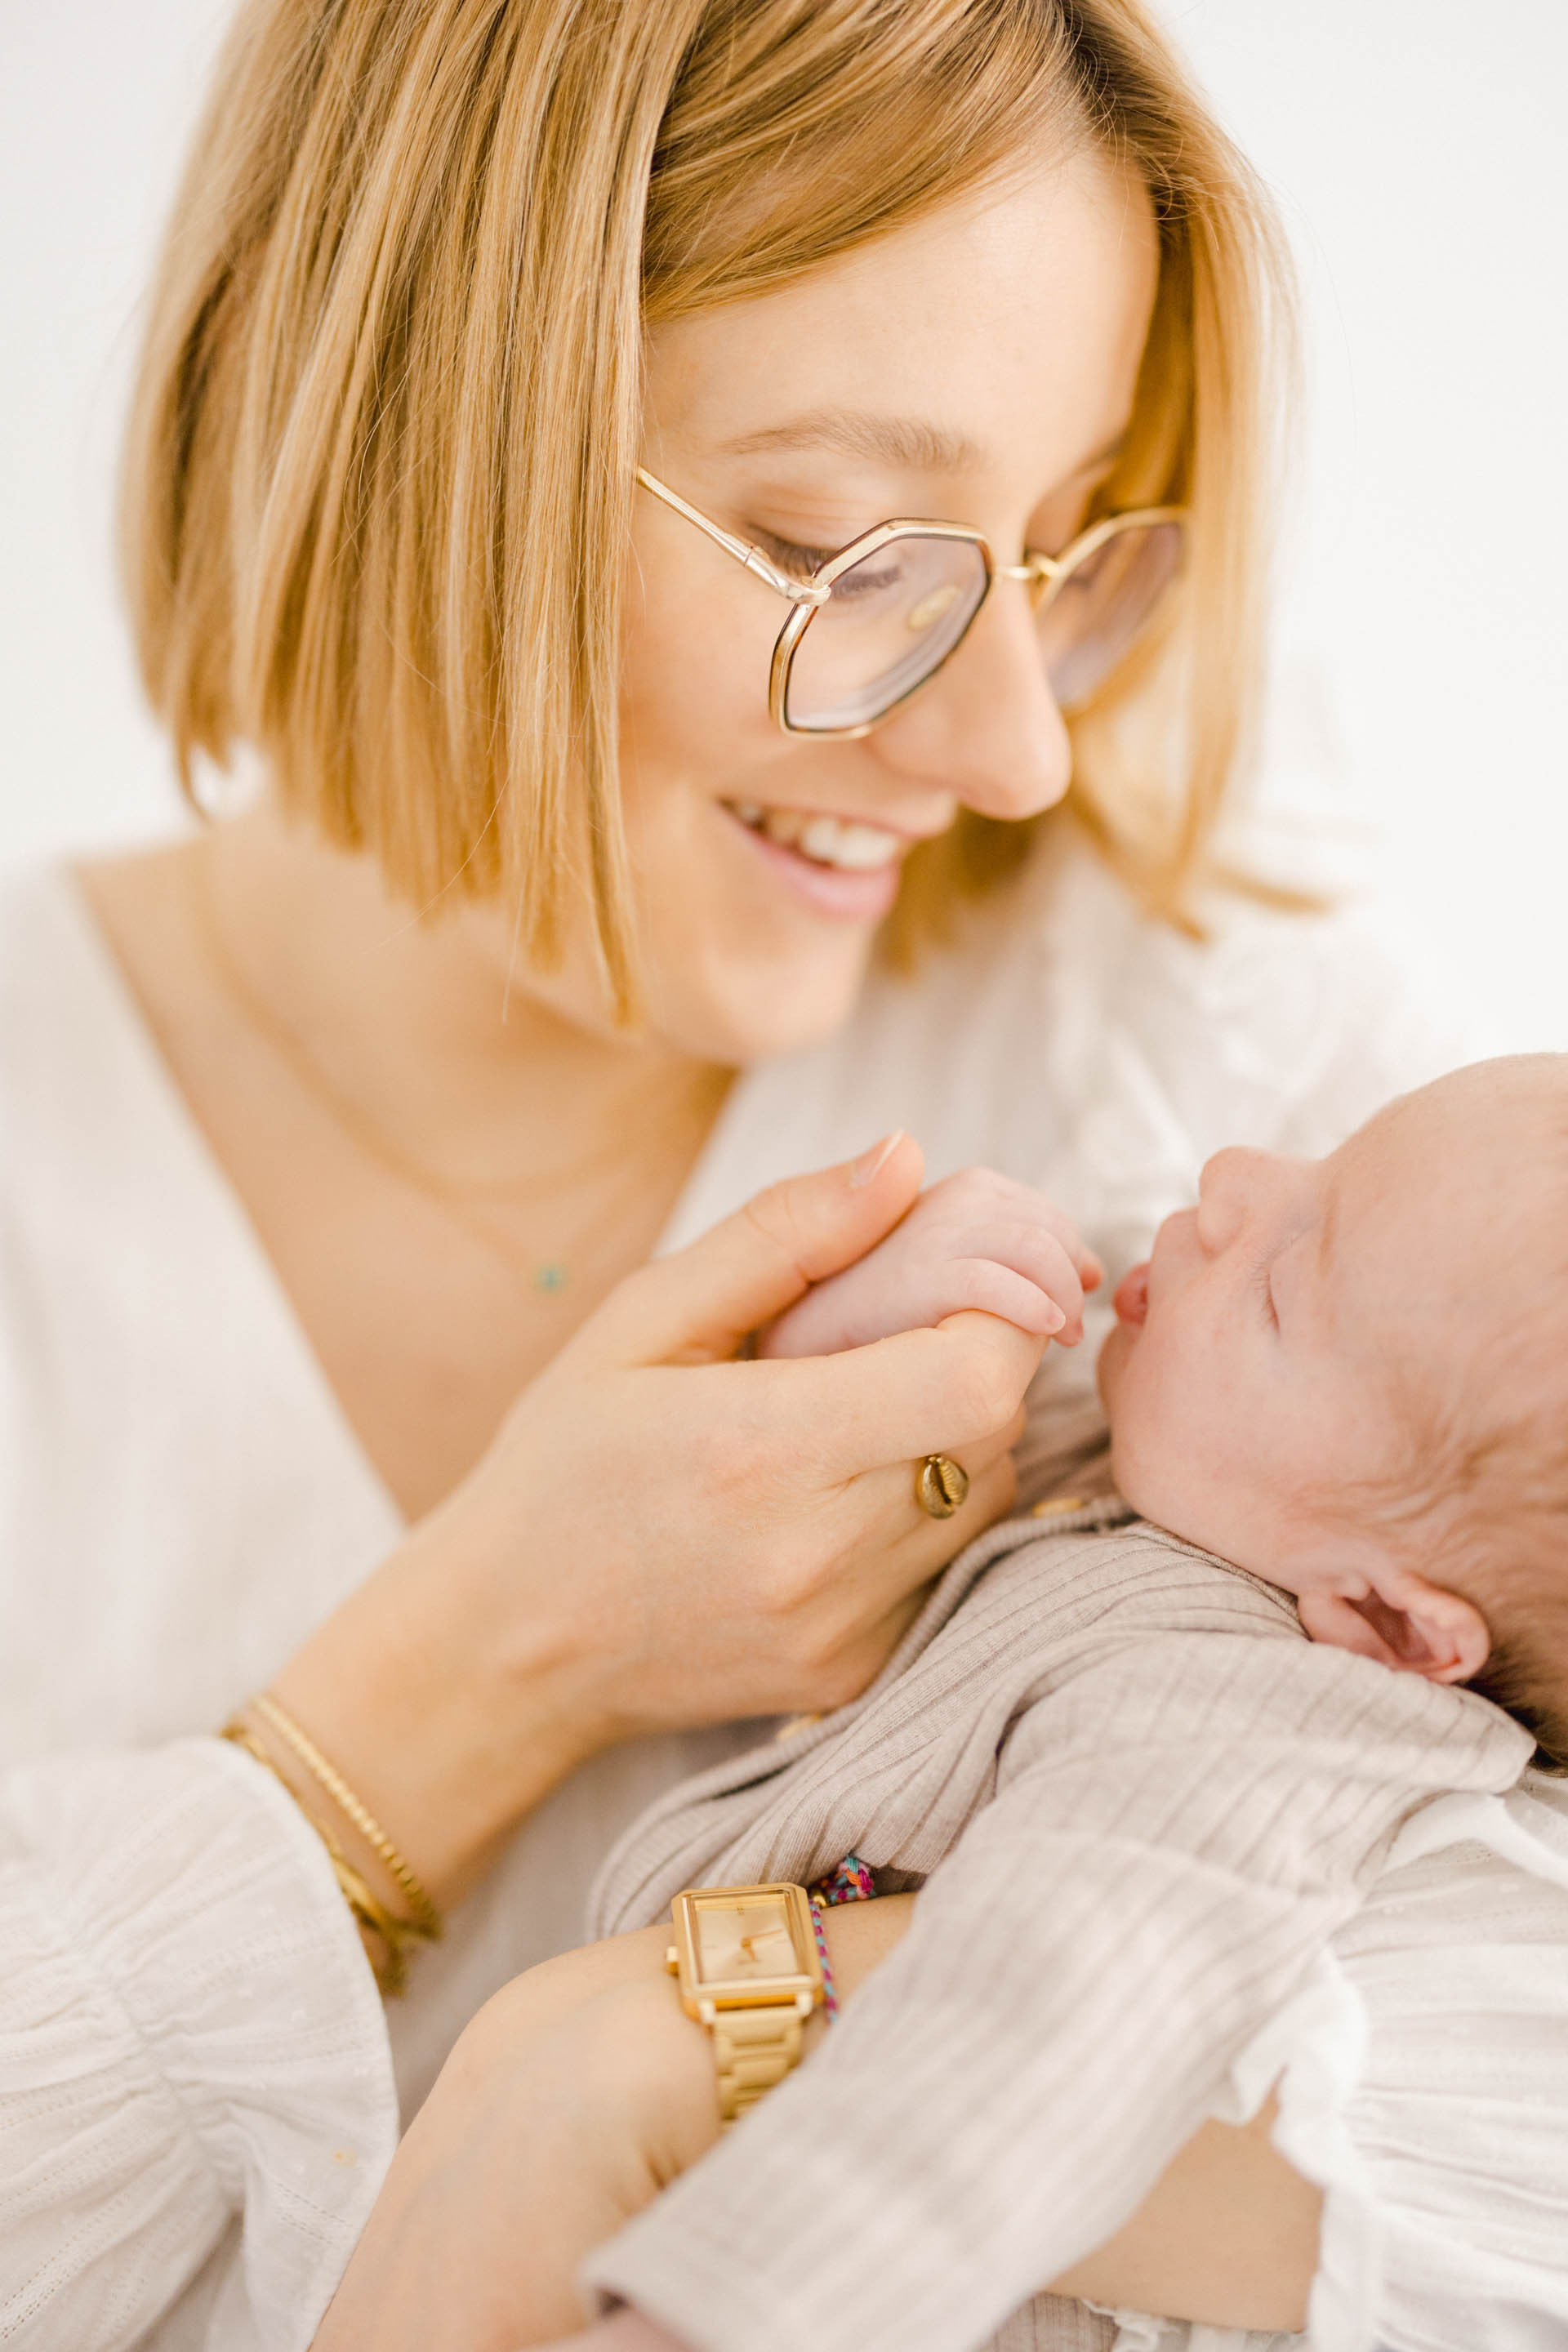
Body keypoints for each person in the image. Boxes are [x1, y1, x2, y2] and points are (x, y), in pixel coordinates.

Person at [0, 0, 1471, 2346]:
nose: (1004, 751)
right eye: (839, 551)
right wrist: (465, 1680)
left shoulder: (1223, 1086)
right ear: (404, 429)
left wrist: (653, 2054)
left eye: (1057, 545)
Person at [318, 1059, 1568, 2352]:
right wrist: (863, 1333)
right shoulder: (1195, 1483)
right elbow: (798, 1490)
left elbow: (1021, 2049)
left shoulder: (1244, 1740)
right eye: (1322, 1159)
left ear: (1392, 1626)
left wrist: (715, 2323)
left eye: (1277, 1290)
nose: (1232, 1181)